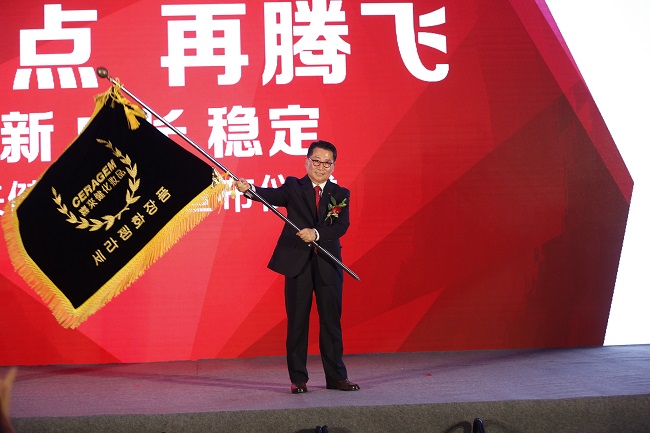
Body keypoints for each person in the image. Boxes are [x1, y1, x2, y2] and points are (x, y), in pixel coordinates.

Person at [235, 140, 359, 394]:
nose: (321, 167)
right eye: (317, 161)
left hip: (328, 264)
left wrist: (316, 234)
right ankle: (298, 379)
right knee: (297, 323)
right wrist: (249, 189)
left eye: (327, 163)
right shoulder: (293, 186)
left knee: (331, 323)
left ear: (333, 166)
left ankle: (336, 377)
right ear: (307, 161)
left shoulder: (340, 193)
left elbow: (341, 226)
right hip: (297, 265)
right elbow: (268, 195)